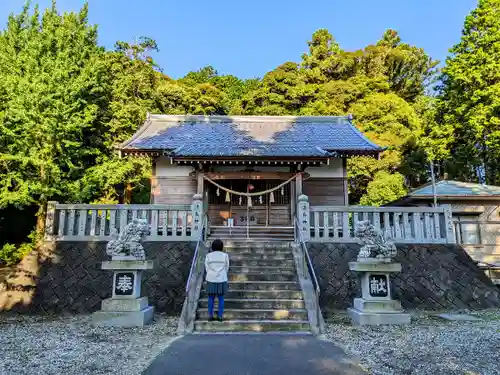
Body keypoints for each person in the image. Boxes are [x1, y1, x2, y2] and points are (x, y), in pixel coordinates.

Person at [204, 239, 229, 321]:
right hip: (222, 279)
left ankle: (210, 316)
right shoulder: (225, 255)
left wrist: (212, 273)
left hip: (211, 278)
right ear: (221, 247)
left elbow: (206, 268)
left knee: (211, 298)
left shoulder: (208, 255)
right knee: (221, 298)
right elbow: (227, 267)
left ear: (212, 247)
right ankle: (220, 316)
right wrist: (221, 273)